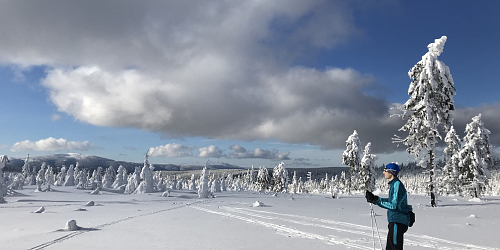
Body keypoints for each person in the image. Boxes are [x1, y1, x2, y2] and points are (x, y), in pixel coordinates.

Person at [365, 163, 412, 250]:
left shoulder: (397, 184)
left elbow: (393, 205)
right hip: (395, 221)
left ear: (392, 172)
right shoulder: (394, 184)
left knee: (394, 248)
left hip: (397, 222)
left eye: (385, 170)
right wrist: (375, 199)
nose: (383, 172)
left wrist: (376, 201)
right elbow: (393, 202)